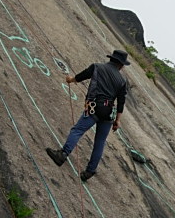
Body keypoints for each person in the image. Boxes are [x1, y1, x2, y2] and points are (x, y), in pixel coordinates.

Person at [46, 49, 129, 181]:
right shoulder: (122, 81)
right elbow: (121, 101)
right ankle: (89, 171)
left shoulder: (97, 67)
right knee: (100, 142)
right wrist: (117, 120)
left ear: (111, 59)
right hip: (109, 112)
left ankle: (63, 154)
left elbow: (82, 75)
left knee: (78, 130)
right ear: (121, 64)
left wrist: (71, 80)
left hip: (94, 107)